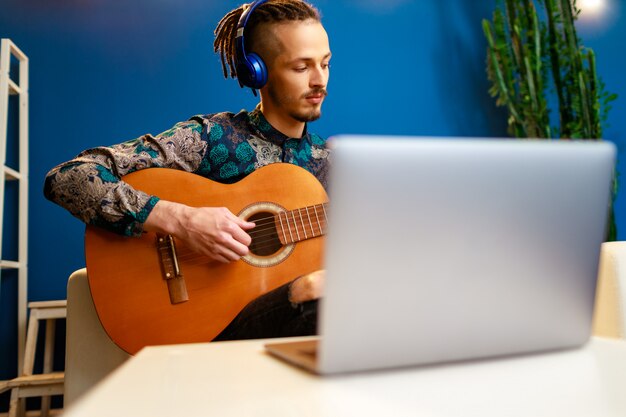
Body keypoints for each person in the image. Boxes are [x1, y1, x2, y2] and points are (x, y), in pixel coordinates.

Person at [44, 0, 331, 340]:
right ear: (258, 72)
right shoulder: (212, 138)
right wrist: (182, 221)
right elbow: (69, 177)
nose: (319, 80)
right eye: (301, 68)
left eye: (325, 64)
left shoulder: (331, 166)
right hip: (212, 333)